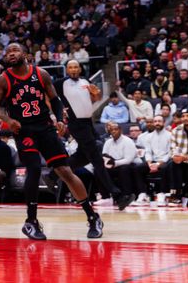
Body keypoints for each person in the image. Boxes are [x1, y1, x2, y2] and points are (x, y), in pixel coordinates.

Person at [0, 43, 103, 240]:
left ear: (24, 54)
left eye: (15, 51)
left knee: (65, 171)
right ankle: (31, 222)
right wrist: (8, 121)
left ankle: (93, 216)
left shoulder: (40, 74)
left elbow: (56, 100)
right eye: (8, 52)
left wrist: (59, 119)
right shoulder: (4, 80)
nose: (11, 54)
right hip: (23, 131)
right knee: (33, 169)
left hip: (45, 127)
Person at [56, 60, 135, 210]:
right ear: (66, 70)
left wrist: (96, 95)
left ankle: (56, 173)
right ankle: (117, 196)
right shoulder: (61, 83)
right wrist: (57, 113)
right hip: (76, 123)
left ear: (80, 69)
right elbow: (50, 97)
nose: (73, 69)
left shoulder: (85, 81)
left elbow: (94, 99)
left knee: (84, 156)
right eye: (70, 67)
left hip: (88, 122)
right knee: (97, 160)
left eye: (75, 67)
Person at [102, 122, 148, 205]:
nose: (113, 131)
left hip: (130, 164)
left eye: (115, 129)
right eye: (111, 130)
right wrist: (107, 163)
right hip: (114, 164)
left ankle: (127, 195)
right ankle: (106, 197)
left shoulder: (128, 141)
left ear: (120, 130)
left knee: (124, 168)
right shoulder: (108, 142)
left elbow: (128, 160)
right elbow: (104, 155)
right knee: (99, 170)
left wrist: (114, 163)